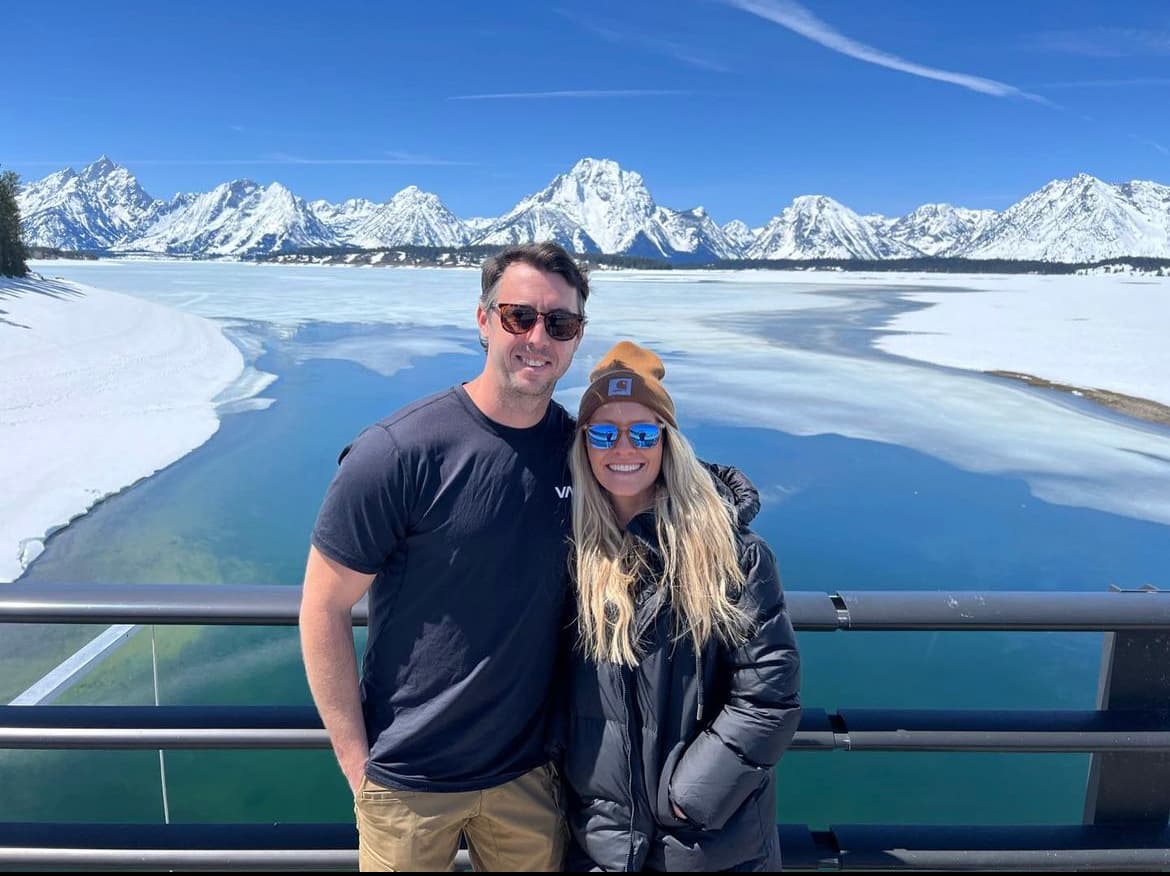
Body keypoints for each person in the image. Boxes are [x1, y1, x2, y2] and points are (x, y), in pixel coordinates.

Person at [299, 242, 589, 872]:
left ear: (575, 338)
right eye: (519, 317)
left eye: (559, 324)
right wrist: (359, 767)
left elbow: (659, 487)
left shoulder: (579, 452)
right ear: (483, 320)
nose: (538, 337)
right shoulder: (397, 452)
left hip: (528, 776)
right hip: (405, 779)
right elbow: (322, 607)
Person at [563, 341, 802, 872]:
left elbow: (769, 697)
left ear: (668, 442)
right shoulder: (571, 550)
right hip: (597, 844)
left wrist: (686, 799)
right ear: (583, 446)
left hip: (708, 847)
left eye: (643, 432)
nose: (623, 447)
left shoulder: (729, 552)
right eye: (603, 432)